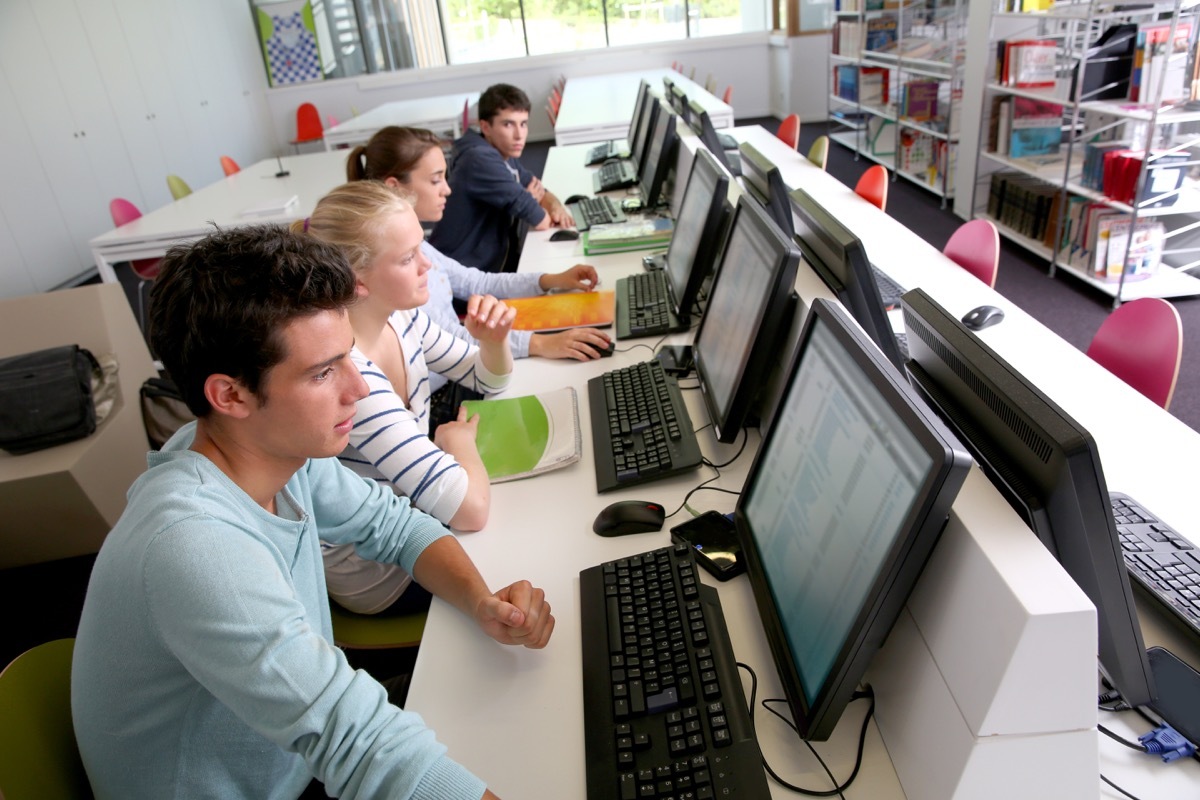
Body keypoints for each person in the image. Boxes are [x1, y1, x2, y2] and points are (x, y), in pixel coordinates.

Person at [70, 223, 554, 800]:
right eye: (323, 373)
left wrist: (480, 601)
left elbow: (394, 526)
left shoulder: (278, 450)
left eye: (348, 356)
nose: (360, 389)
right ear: (232, 395)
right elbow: (355, 743)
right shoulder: (193, 545)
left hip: (293, 758)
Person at [297, 182, 510, 615]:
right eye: (408, 257)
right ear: (358, 283)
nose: (427, 265)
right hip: (379, 571)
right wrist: (459, 446)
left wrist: (493, 342)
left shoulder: (403, 319)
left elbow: (486, 377)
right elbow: (470, 511)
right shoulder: (353, 376)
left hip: (414, 519)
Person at [349, 125, 610, 367]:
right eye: (435, 180)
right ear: (394, 187)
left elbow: (477, 282)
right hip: (453, 378)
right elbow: (448, 339)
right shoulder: (391, 266)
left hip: (465, 362)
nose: (447, 190)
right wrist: (541, 343)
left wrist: (550, 280)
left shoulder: (419, 248)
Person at [429, 83, 573, 272]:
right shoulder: (479, 159)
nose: (519, 135)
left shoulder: (502, 153)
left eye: (523, 124)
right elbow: (540, 219)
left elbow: (537, 188)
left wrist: (555, 206)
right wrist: (528, 199)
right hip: (465, 276)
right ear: (485, 127)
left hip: (494, 264)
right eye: (508, 124)